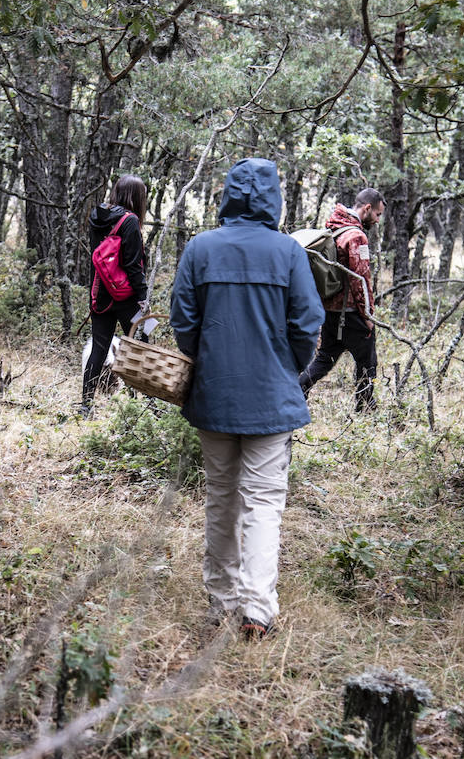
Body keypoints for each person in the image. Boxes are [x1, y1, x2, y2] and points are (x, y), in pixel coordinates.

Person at [170, 158, 323, 638]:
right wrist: (285, 368)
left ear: (228, 194)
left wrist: (209, 360)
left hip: (213, 396)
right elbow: (306, 325)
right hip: (270, 400)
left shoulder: (200, 248)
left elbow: (183, 324)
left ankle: (221, 599)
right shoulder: (288, 252)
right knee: (263, 503)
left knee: (221, 498)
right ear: (273, 197)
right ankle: (257, 610)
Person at [298, 188, 385, 411]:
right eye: (377, 214)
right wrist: (368, 316)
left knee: (325, 358)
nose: (377, 220)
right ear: (367, 208)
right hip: (351, 313)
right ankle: (365, 407)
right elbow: (361, 280)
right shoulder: (356, 236)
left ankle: (297, 391)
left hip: (329, 310)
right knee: (368, 363)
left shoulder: (334, 228)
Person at [81, 174, 150, 414]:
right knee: (142, 344)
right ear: (136, 197)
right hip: (126, 297)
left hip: (100, 295)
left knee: (99, 350)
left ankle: (86, 406)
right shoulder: (129, 221)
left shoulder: (96, 216)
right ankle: (145, 406)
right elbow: (133, 265)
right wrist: (143, 298)